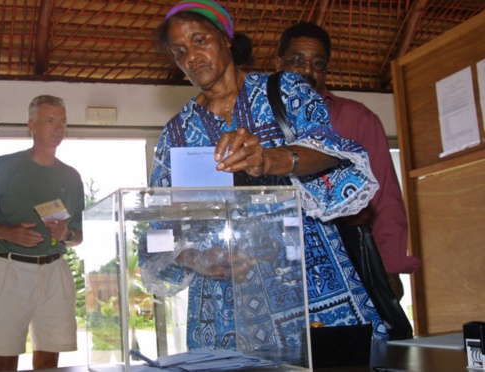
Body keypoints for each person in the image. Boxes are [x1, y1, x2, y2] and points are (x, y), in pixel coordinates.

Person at [140, 0, 389, 353]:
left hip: (309, 285)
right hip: (223, 306)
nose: (191, 56)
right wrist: (197, 259)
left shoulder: (285, 91)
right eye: (179, 51)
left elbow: (332, 152)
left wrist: (267, 159)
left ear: (226, 39)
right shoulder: (176, 134)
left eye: (200, 40)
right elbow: (156, 230)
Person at [274, 22, 420, 298]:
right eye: (296, 60)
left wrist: (387, 266)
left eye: (317, 64)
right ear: (278, 63)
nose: (307, 71)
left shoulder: (357, 119)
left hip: (350, 266)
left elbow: (385, 198)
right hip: (278, 269)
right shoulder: (256, 121)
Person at [0, 95, 84, 371]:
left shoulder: (72, 176)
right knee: (5, 357)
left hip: (55, 271)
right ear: (31, 124)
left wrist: (67, 232)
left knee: (49, 357)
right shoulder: (5, 166)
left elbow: (78, 236)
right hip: (11, 269)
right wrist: (9, 233)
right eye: (50, 120)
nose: (58, 128)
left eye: (63, 121)